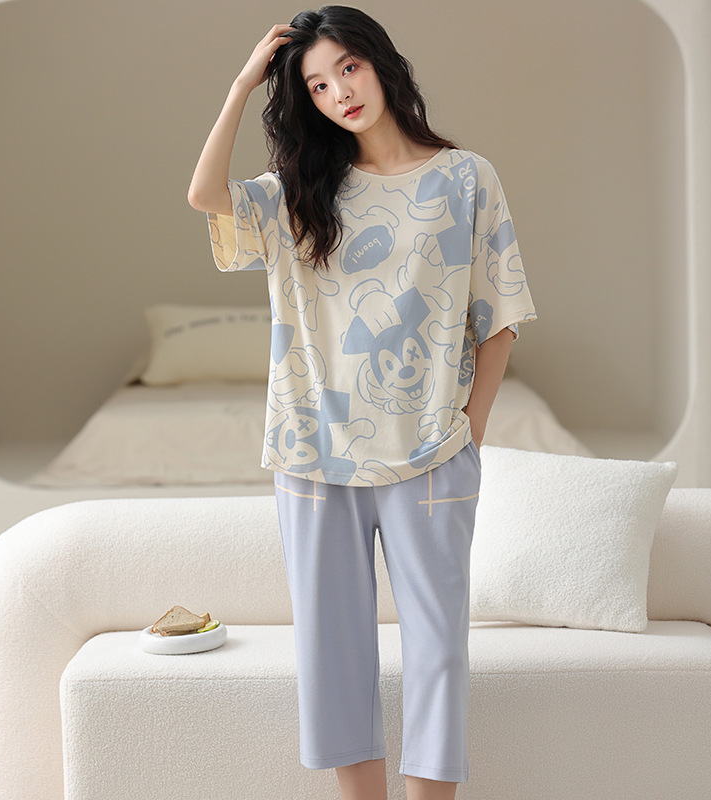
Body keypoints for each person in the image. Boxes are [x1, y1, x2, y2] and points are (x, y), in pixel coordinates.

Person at [188, 6, 536, 799]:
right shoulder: (299, 192)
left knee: (439, 650)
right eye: (316, 84)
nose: (339, 91)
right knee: (333, 653)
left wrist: (472, 428)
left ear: (381, 64)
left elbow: (501, 316)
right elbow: (203, 193)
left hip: (433, 452)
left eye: (348, 68)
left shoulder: (465, 179)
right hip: (313, 451)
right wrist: (244, 85)